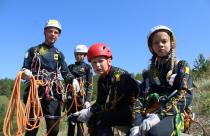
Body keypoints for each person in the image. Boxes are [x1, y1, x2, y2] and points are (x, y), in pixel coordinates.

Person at [130, 25, 193, 136]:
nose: (160, 45)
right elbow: (140, 99)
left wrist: (159, 115)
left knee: (154, 133)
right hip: (151, 112)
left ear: (171, 43)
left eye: (164, 41)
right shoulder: (149, 74)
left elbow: (185, 94)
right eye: (156, 43)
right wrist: (136, 125)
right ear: (151, 47)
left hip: (175, 112)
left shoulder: (181, 66)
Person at [21, 19, 79, 136]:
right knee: (32, 128)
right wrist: (25, 73)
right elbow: (23, 70)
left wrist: (72, 79)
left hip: (53, 92)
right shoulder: (33, 50)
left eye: (56, 32)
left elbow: (65, 72)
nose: (53, 34)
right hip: (35, 91)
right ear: (45, 32)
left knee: (54, 130)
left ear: (59, 35)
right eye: (50, 31)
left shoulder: (60, 54)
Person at [69, 43, 140, 136]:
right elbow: (100, 102)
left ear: (109, 61)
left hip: (133, 112)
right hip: (118, 111)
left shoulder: (119, 76)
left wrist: (90, 111)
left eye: (101, 61)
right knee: (93, 120)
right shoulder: (102, 79)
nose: (97, 65)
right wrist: (82, 113)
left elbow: (113, 103)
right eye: (94, 62)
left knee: (101, 123)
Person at [66, 44, 93, 136]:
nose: (79, 56)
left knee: (80, 122)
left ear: (85, 55)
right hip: (70, 98)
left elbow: (90, 84)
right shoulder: (69, 67)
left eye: (81, 54)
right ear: (74, 55)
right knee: (71, 122)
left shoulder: (88, 67)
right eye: (77, 54)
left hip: (82, 98)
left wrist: (88, 100)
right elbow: (66, 82)